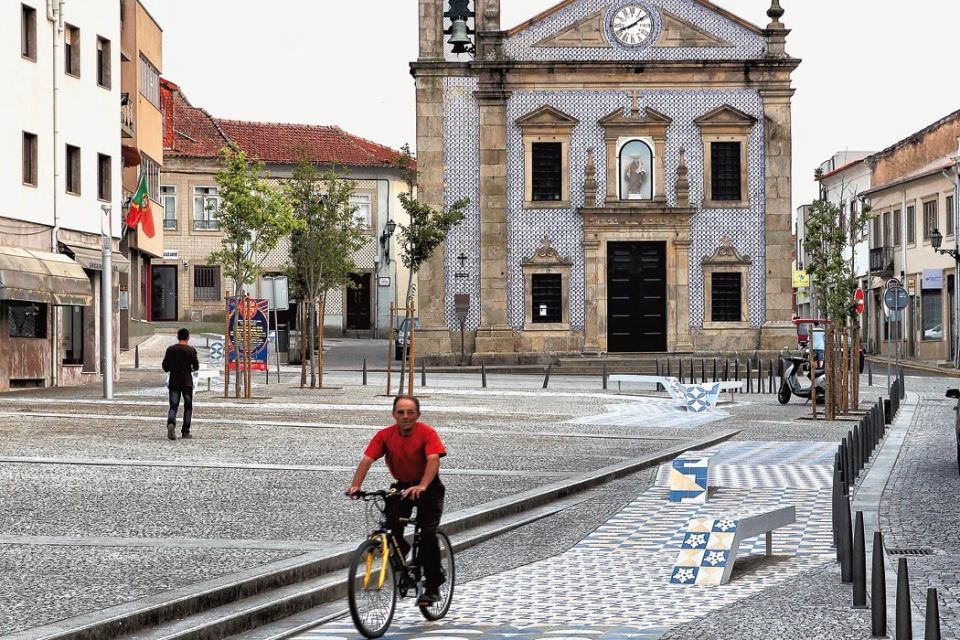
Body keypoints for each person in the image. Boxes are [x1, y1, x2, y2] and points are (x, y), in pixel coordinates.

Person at [346, 395, 447, 605]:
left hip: (429, 486)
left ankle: (433, 585)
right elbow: (367, 459)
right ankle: (402, 557)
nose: (405, 416)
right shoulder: (385, 435)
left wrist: (422, 485)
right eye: (400, 412)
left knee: (428, 534)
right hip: (402, 486)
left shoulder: (427, 432)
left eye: (410, 412)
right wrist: (356, 486)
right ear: (393, 414)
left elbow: (433, 459)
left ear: (418, 414)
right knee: (389, 526)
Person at [162, 328, 200, 441]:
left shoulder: (171, 349)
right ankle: (185, 431)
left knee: (173, 405)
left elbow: (165, 366)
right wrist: (189, 369)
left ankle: (171, 423)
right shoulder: (191, 350)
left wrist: (172, 368)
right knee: (188, 407)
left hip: (174, 381)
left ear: (178, 337)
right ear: (188, 338)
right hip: (187, 382)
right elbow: (196, 366)